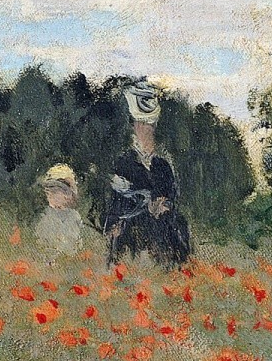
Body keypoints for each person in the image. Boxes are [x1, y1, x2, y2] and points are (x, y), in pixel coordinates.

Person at [104, 81, 191, 269]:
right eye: (141, 124)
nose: (146, 130)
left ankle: (176, 269)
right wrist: (118, 220)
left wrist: (163, 205)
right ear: (134, 126)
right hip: (131, 227)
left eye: (150, 125)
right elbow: (116, 202)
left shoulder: (163, 165)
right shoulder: (124, 162)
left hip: (160, 226)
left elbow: (171, 196)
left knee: (177, 225)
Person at [34, 164, 88, 255]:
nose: (50, 196)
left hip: (70, 257)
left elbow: (78, 243)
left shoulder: (74, 216)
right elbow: (41, 243)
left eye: (55, 192)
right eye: (48, 192)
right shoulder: (46, 216)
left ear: (67, 194)